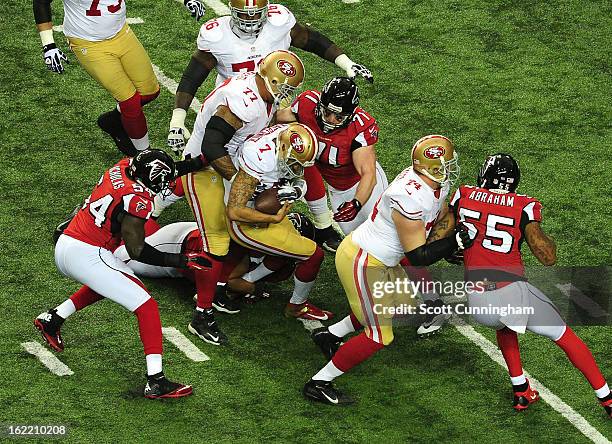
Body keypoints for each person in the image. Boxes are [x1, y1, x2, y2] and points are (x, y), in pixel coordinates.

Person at [302, 135, 473, 405]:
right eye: (445, 162)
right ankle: (319, 382)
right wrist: (456, 242)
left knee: (398, 306)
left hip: (381, 259)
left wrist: (446, 242)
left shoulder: (434, 181)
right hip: (363, 260)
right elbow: (417, 256)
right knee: (380, 336)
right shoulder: (409, 196)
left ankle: (329, 334)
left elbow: (436, 219)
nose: (450, 167)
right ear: (432, 166)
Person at [437, 153, 610, 417]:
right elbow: (547, 257)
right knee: (563, 334)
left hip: (476, 300)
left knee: (505, 325)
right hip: (510, 294)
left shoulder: (463, 195)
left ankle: (521, 390)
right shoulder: (524, 205)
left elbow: (441, 236)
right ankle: (607, 399)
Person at [34, 150, 211, 399]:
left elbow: (159, 172)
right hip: (87, 253)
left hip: (71, 242)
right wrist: (182, 260)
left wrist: (194, 164)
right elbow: (136, 250)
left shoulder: (124, 165)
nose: (164, 185)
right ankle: (156, 380)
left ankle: (52, 319)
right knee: (146, 305)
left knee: (111, 279)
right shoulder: (137, 200)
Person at [172, 50, 306, 335]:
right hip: (205, 167)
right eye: (284, 88)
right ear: (269, 80)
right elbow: (211, 147)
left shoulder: (260, 91)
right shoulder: (242, 103)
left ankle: (219, 286)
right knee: (218, 239)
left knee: (244, 223)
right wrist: (240, 182)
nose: (286, 94)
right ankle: (201, 314)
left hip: (232, 161)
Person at [167, 0, 373, 153]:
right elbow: (192, 77)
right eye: (244, 14)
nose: (250, 19)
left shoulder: (279, 23)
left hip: (274, 102)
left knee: (266, 159)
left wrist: (346, 62)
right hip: (231, 104)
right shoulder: (217, 36)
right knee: (204, 152)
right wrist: (177, 120)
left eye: (256, 14)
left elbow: (310, 40)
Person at [33, 0, 206, 156]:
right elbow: (41, 2)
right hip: (88, 43)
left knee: (150, 92)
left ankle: (114, 120)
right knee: (129, 101)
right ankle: (144, 155)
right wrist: (48, 45)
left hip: (121, 33)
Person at [226, 123, 331, 320]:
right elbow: (234, 210)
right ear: (282, 149)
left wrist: (295, 190)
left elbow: (299, 180)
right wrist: (273, 217)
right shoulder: (259, 158)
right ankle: (296, 306)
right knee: (313, 255)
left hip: (262, 209)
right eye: (294, 163)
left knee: (287, 252)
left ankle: (240, 284)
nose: (297, 169)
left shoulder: (287, 135)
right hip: (245, 219)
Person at [277, 76, 387, 251]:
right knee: (358, 243)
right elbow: (276, 119)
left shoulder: (360, 127)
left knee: (384, 234)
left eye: (338, 116)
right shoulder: (307, 104)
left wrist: (356, 203)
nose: (330, 119)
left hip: (363, 187)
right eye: (327, 112)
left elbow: (369, 175)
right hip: (337, 190)